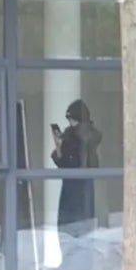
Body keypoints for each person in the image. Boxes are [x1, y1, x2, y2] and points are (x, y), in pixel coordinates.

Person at [51, 98, 102, 256]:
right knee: (72, 234)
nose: (70, 123)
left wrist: (64, 145)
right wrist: (60, 148)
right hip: (74, 188)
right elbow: (65, 163)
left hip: (78, 189)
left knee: (76, 233)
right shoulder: (73, 136)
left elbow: (81, 162)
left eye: (72, 119)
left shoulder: (82, 136)